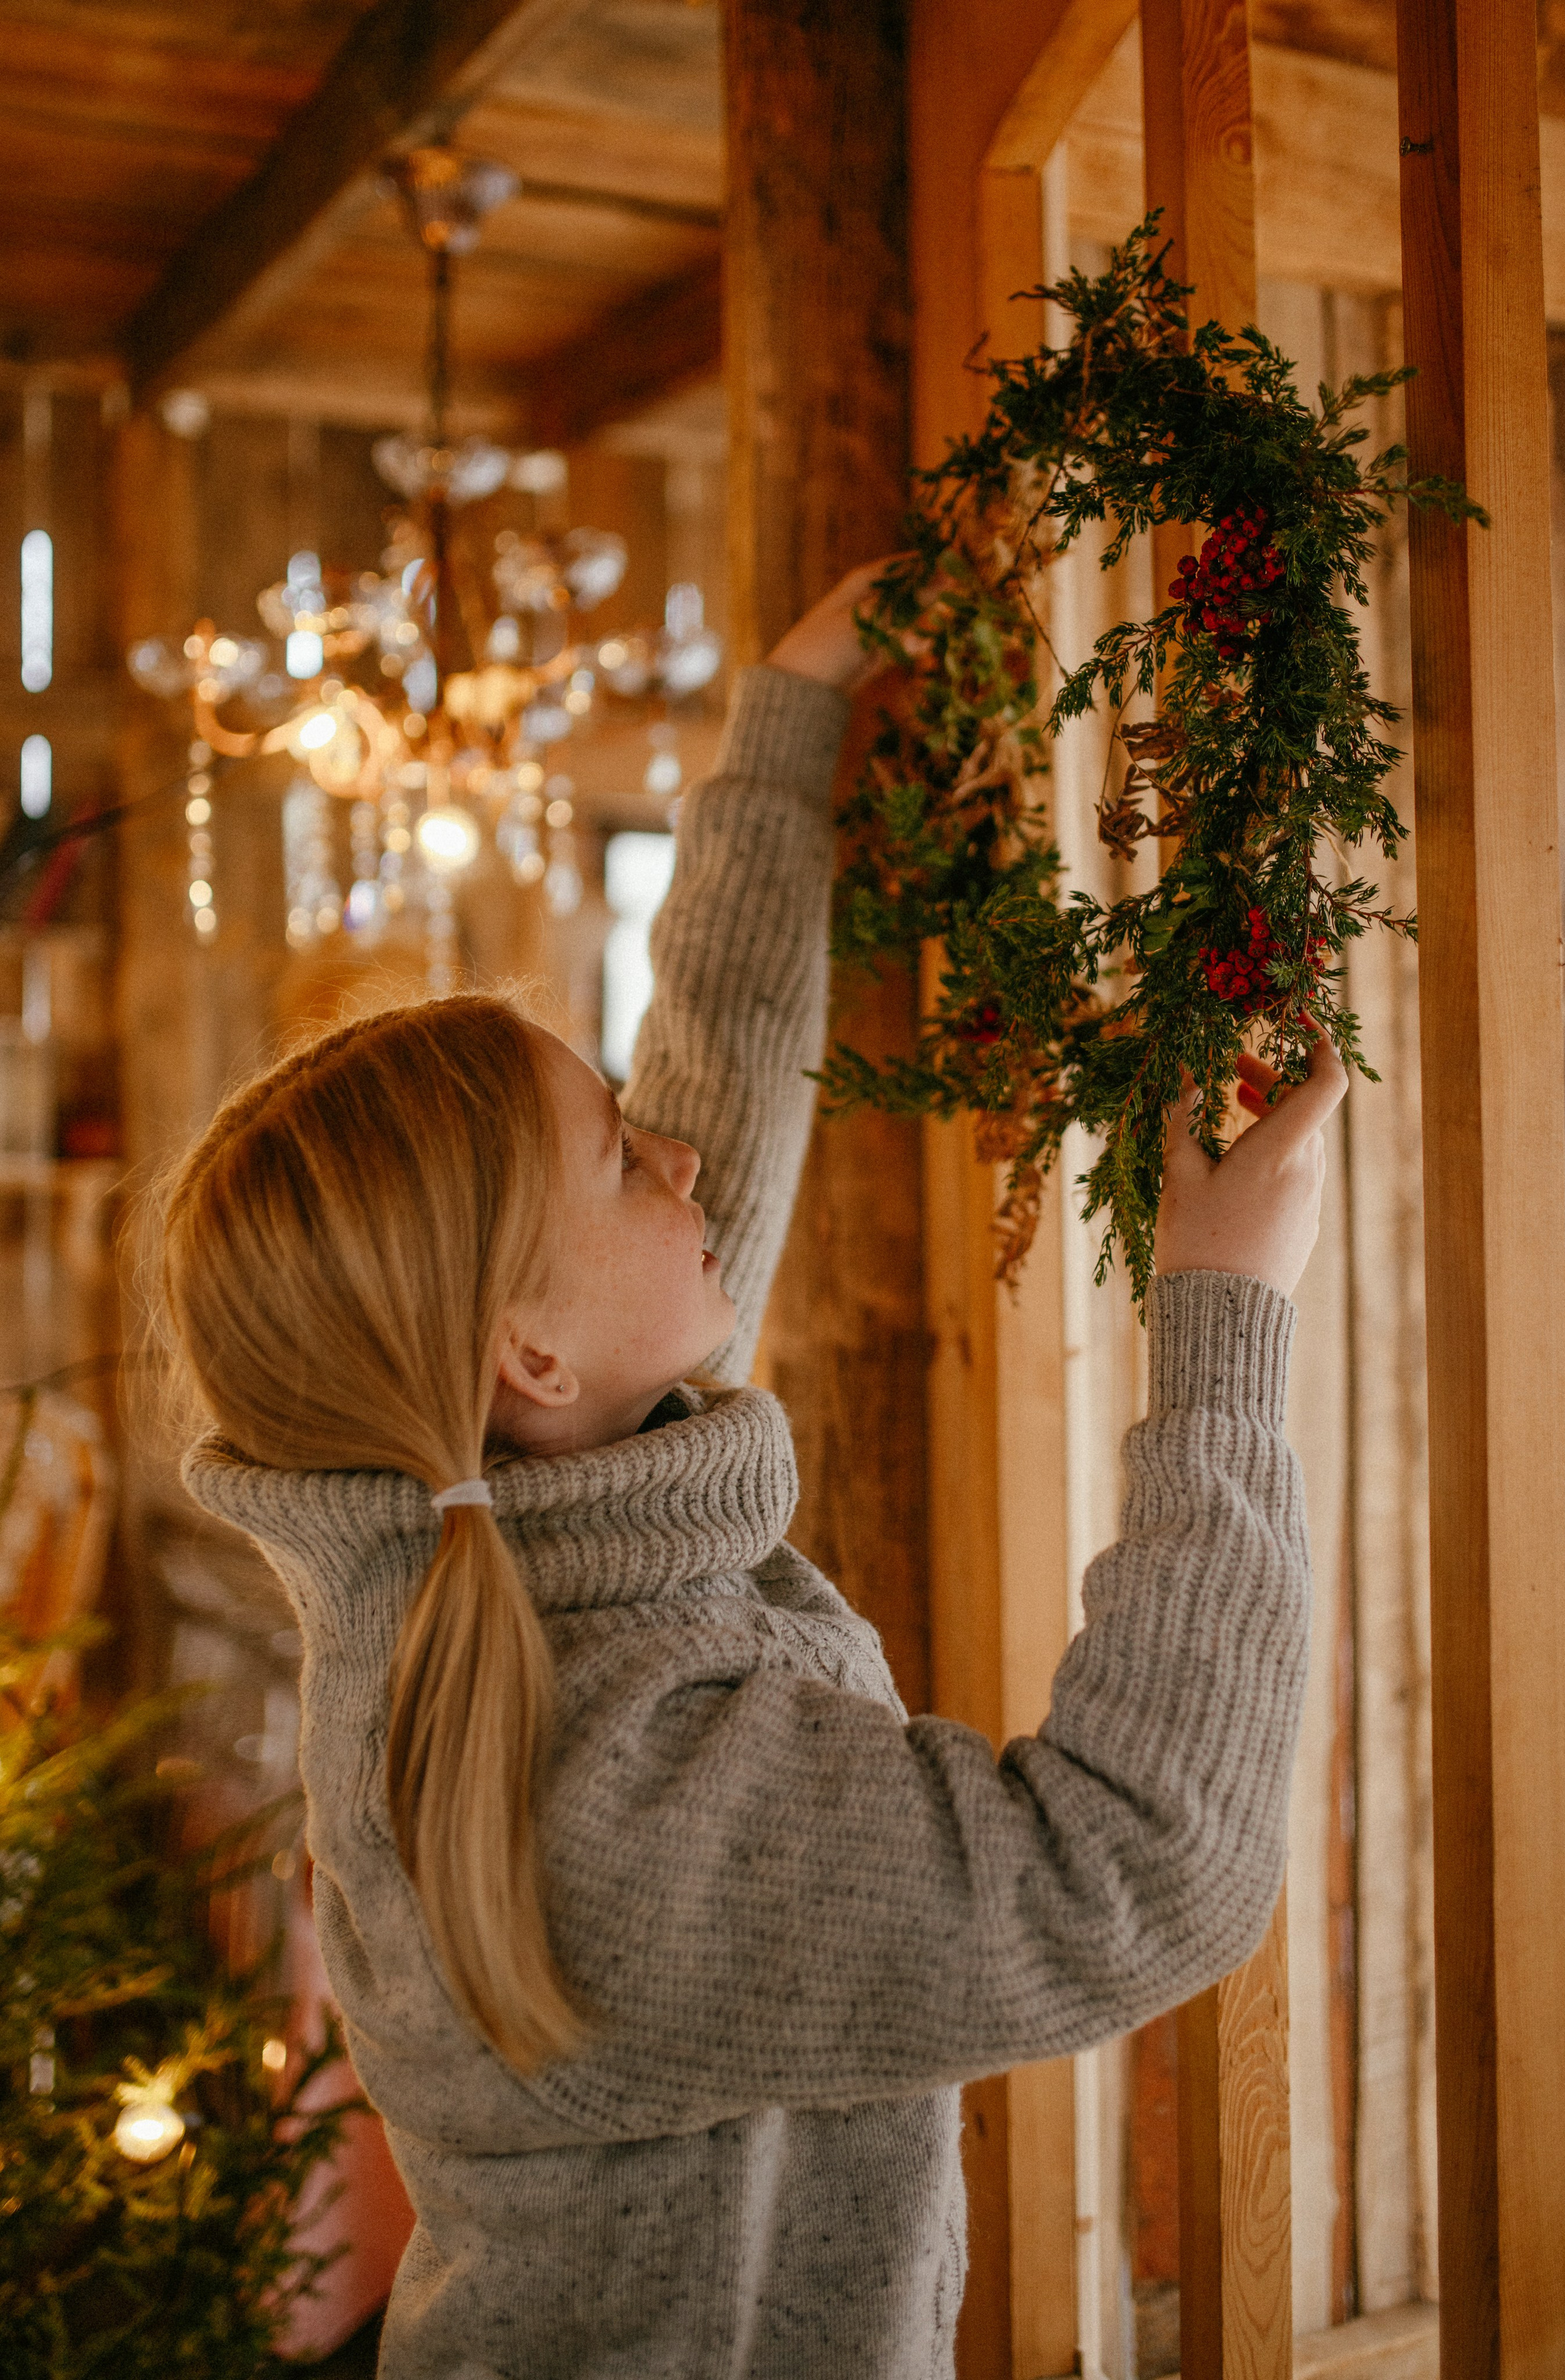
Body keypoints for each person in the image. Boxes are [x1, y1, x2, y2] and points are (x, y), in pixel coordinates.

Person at [165, 562, 1342, 2380]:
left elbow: (701, 1104)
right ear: (527, 1357)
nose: (684, 1166)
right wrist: (1225, 1315)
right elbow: (1138, 1870)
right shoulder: (604, 1777)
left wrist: (786, 723)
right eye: (628, 1161)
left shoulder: (482, 1521)